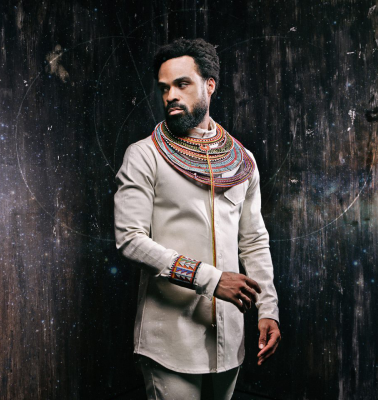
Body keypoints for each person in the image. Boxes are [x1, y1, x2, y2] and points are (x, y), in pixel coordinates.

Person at [114, 38, 281, 400]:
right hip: (169, 340)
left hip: (231, 339)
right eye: (164, 88)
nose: (171, 95)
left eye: (182, 84)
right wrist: (211, 279)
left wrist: (268, 309)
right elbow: (130, 240)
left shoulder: (243, 161)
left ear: (210, 85)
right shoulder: (143, 155)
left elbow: (254, 240)